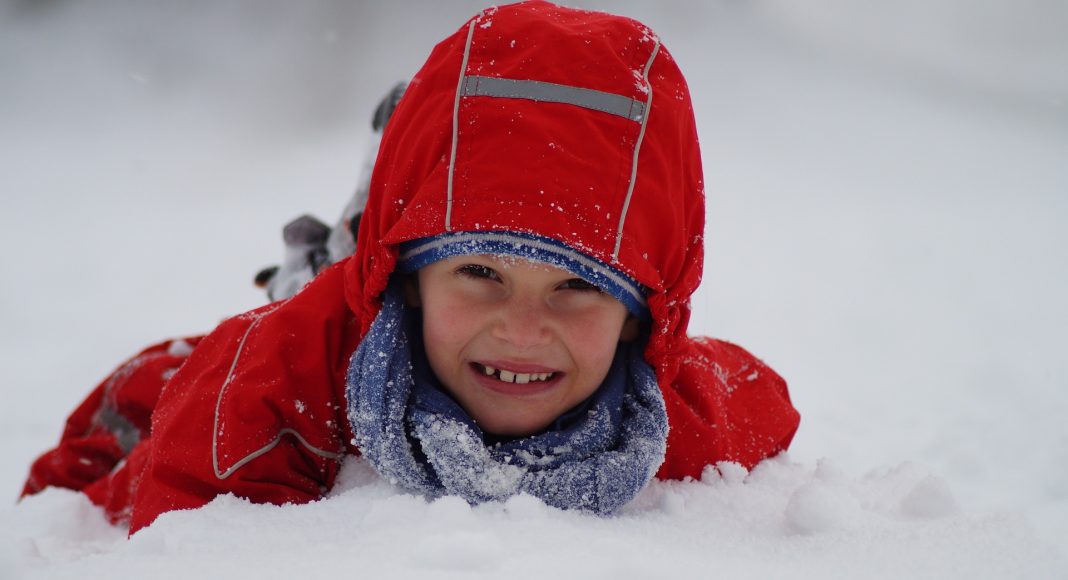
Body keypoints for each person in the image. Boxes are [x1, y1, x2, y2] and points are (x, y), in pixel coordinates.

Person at [21, 0, 800, 534]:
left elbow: (764, 404)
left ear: (641, 318)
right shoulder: (262, 392)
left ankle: (405, 217)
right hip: (314, 341)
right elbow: (179, 546)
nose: (524, 328)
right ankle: (362, 242)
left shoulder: (672, 419)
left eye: (578, 287)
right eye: (480, 275)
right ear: (409, 283)